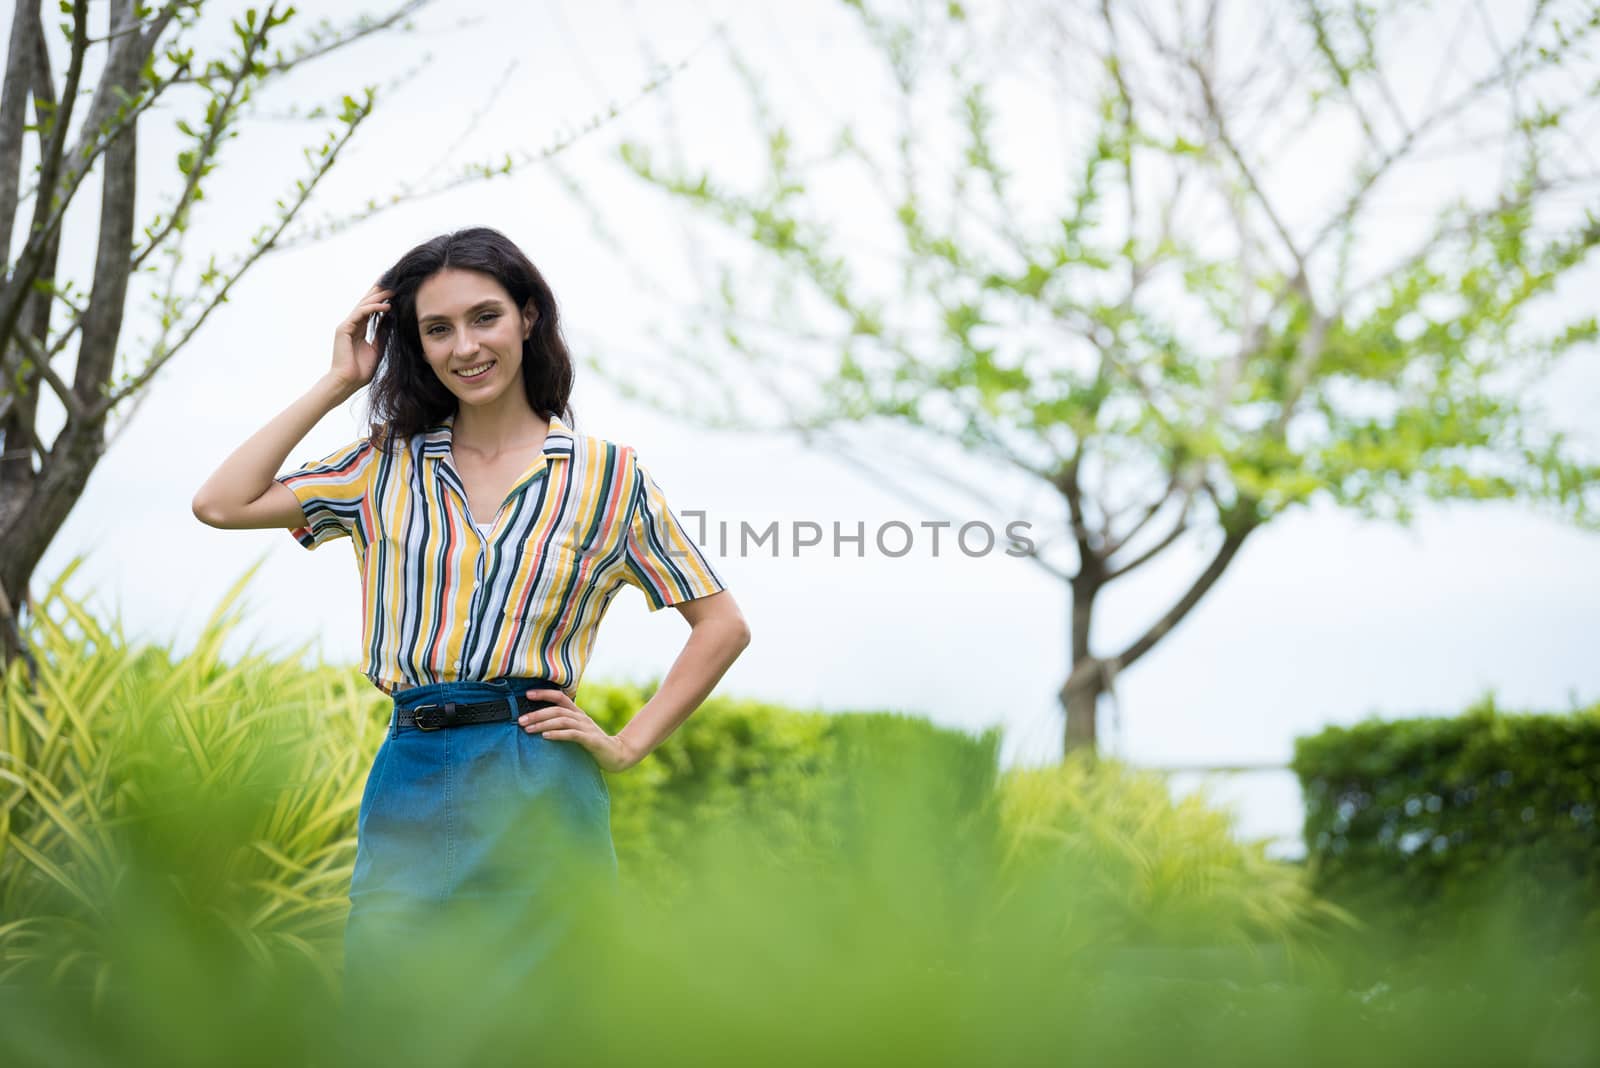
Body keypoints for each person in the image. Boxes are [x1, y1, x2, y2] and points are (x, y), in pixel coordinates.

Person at [191, 227, 751, 1033]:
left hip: (538, 771)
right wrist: (339, 380)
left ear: (528, 318)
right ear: (414, 346)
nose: (466, 346)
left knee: (551, 1024)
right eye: (438, 329)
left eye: (485, 317)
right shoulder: (381, 465)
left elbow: (720, 624)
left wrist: (627, 746)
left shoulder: (609, 477)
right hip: (412, 768)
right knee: (389, 1020)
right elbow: (221, 504)